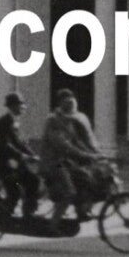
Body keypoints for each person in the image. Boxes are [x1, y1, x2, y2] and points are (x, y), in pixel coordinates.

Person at [40, 89, 106, 221]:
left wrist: (96, 154)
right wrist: (86, 156)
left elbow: (77, 141)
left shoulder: (69, 120)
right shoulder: (53, 121)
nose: (71, 107)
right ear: (61, 104)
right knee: (69, 192)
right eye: (68, 103)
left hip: (65, 163)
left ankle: (81, 211)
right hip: (53, 163)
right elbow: (64, 145)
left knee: (86, 179)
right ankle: (54, 224)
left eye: (72, 103)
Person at [0, 93, 42, 217]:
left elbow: (19, 143)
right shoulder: (4, 122)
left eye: (22, 105)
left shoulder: (13, 121)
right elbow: (6, 145)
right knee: (15, 191)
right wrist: (22, 156)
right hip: (4, 163)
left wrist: (33, 154)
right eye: (20, 105)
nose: (22, 107)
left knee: (33, 180)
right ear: (12, 106)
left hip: (15, 163)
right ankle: (4, 215)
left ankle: (28, 212)